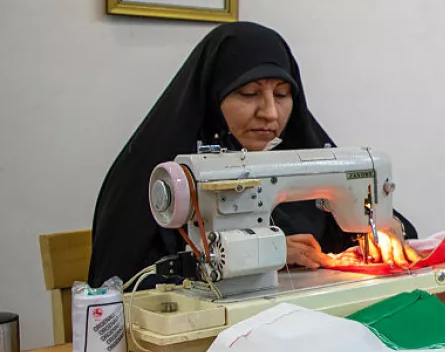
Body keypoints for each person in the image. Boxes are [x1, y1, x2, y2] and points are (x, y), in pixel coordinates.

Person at [88, 22, 417, 287]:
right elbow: (120, 285)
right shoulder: (152, 181)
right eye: (249, 93)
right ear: (211, 97)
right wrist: (261, 255)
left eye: (283, 94)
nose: (271, 113)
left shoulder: (297, 158)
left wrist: (388, 228)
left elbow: (370, 219)